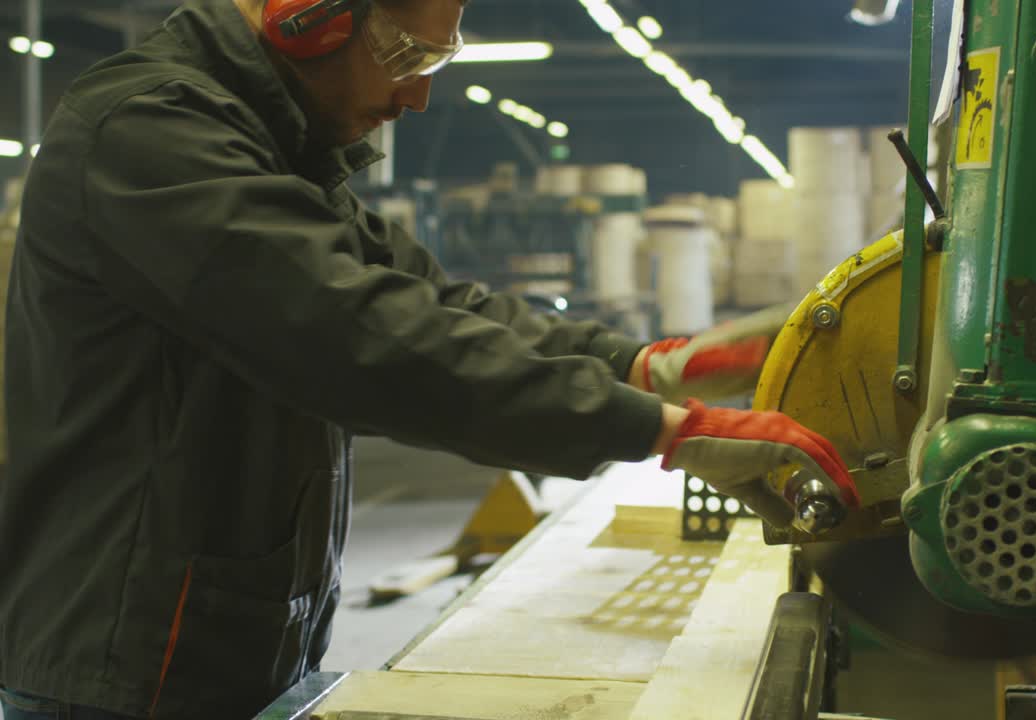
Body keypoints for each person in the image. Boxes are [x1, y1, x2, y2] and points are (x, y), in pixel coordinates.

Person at [0, 0, 857, 717]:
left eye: (436, 61)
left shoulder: (277, 152)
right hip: (118, 667)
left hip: (223, 644)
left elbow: (440, 306)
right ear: (307, 16)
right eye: (404, 52)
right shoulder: (149, 132)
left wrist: (643, 367)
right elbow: (355, 336)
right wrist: (663, 430)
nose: (416, 95)